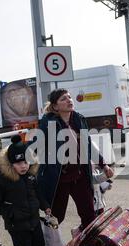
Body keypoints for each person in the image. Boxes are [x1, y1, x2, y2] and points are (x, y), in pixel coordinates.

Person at [34, 88, 114, 232]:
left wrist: (104, 165)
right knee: (56, 217)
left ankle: (85, 245)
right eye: (63, 98)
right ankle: (40, 243)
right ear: (55, 106)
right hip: (59, 179)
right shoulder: (48, 122)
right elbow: (35, 143)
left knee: (89, 215)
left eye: (69, 97)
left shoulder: (79, 119)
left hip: (80, 175)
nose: (69, 100)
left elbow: (88, 143)